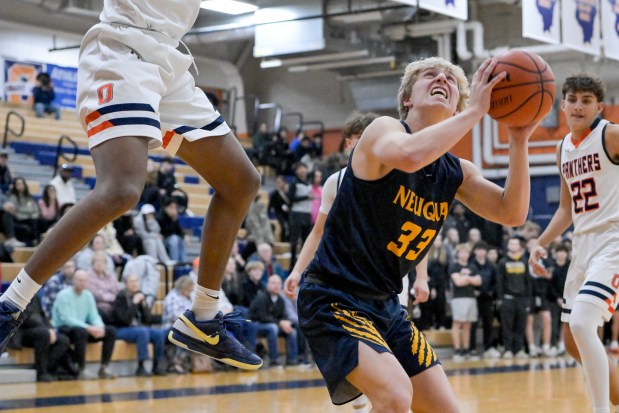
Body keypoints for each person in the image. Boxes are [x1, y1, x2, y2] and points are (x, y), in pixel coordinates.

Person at [0, 0, 262, 370]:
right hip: (123, 49)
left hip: (170, 59)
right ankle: (10, 304)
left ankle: (203, 317)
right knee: (122, 189)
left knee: (242, 182)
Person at [291, 56, 537, 412]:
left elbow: (512, 212)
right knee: (394, 396)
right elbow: (408, 157)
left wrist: (518, 139)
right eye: (430, 75)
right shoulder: (384, 130)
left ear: (455, 107)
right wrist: (476, 113)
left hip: (386, 306)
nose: (442, 79)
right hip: (334, 297)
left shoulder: (456, 172)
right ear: (408, 98)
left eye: (451, 80)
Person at [529, 74, 619, 413]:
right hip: (582, 246)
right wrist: (540, 242)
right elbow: (567, 209)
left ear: (599, 106)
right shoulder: (561, 147)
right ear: (562, 105)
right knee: (572, 339)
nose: (578, 106)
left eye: (586, 100)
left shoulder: (610, 134)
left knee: (583, 323)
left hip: (613, 241)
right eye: (573, 99)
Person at [51, 270, 116, 380]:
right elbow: (67, 319)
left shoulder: (88, 295)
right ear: (73, 280)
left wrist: (99, 327)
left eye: (85, 280)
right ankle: (81, 368)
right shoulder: (64, 295)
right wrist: (89, 328)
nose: (82, 283)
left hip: (82, 328)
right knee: (81, 331)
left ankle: (104, 367)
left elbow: (94, 315)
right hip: (63, 329)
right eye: (80, 280)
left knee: (110, 331)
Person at [111, 273, 166, 376]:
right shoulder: (121, 297)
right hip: (121, 329)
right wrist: (134, 303)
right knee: (143, 332)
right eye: (131, 281)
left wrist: (143, 305)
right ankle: (141, 366)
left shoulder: (140, 295)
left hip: (137, 328)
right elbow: (125, 320)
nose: (134, 284)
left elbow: (147, 319)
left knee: (159, 333)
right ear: (126, 284)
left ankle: (157, 364)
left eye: (136, 281)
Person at [497, 236, 531, 359]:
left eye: (515, 244)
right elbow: (499, 281)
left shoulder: (525, 261)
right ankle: (508, 349)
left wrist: (528, 299)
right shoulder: (502, 262)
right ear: (508, 246)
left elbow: (528, 281)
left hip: (522, 299)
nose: (513, 246)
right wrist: (500, 299)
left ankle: (518, 349)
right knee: (507, 326)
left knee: (520, 326)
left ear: (519, 246)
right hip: (507, 299)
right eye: (511, 244)